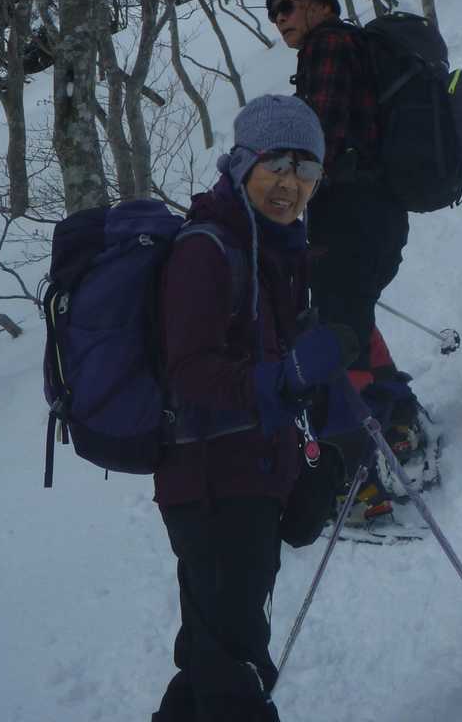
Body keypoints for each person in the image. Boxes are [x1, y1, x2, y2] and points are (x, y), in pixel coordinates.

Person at [152, 94, 355, 722]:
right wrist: (286, 378)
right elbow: (188, 373)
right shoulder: (207, 250)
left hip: (255, 474)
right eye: (278, 165)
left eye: (307, 169)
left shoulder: (279, 251)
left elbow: (283, 365)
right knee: (233, 666)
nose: (291, 184)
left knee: (213, 658)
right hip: (210, 483)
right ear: (243, 164)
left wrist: (333, 423)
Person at [264, 0, 430, 519]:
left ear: (319, 4)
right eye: (273, 14)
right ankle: (399, 419)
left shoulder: (329, 47)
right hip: (375, 216)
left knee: (333, 338)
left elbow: (321, 143)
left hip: (352, 218)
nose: (280, 20)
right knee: (350, 320)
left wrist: (273, 198)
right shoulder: (346, 47)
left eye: (287, 6)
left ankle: (356, 481)